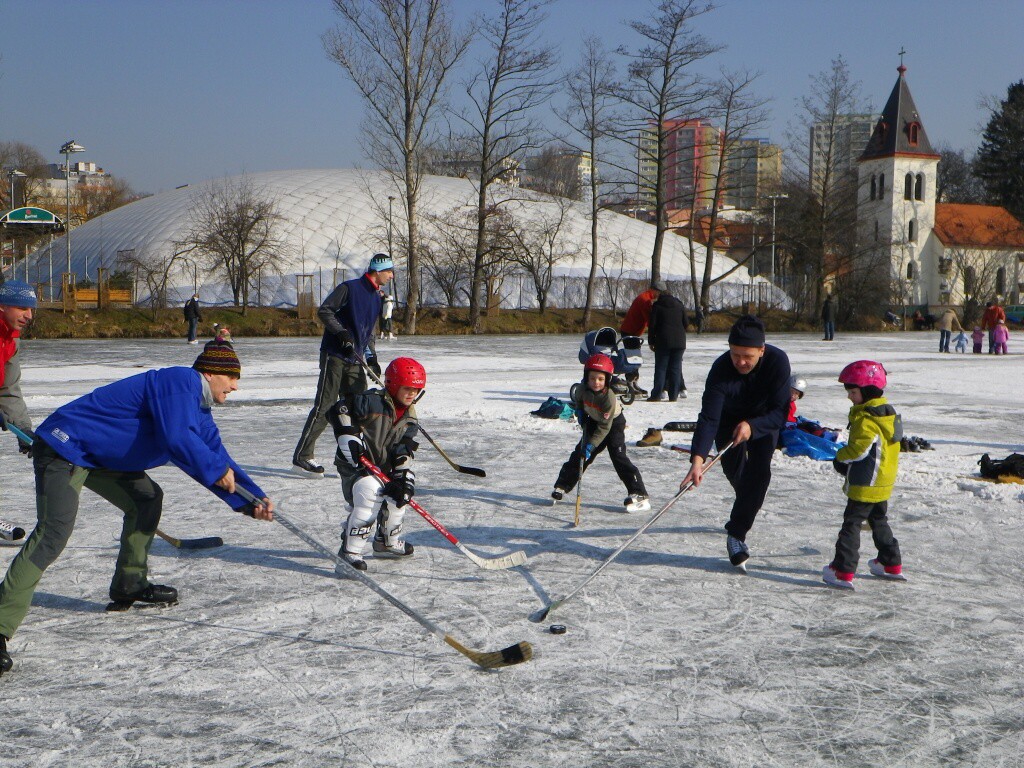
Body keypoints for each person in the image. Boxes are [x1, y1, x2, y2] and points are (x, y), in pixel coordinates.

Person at [0, 339, 274, 677]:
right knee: (53, 533)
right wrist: (217, 471)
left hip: (99, 457)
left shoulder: (197, 409)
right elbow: (178, 441)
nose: (235, 386)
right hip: (65, 447)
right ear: (212, 372)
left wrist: (252, 501)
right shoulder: (181, 382)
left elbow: (216, 457)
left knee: (146, 498)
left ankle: (130, 583)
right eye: (232, 377)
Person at [682, 315, 791, 569]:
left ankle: (736, 534)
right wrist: (697, 460)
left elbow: (780, 412)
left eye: (748, 356)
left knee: (759, 473)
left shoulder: (777, 362)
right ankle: (747, 503)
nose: (740, 362)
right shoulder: (721, 369)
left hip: (763, 421)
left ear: (761, 350)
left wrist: (753, 426)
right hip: (728, 421)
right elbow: (708, 417)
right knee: (738, 476)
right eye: (735, 355)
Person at [292, 253, 394, 476]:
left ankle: (356, 457)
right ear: (377, 270)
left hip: (355, 358)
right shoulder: (350, 288)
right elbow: (325, 311)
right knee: (326, 405)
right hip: (335, 355)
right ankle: (303, 456)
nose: (391, 275)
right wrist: (341, 334)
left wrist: (372, 357)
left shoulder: (377, 298)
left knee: (358, 407)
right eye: (389, 271)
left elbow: (369, 331)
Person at [328, 357, 424, 570]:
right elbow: (338, 410)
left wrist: (400, 472)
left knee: (402, 492)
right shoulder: (372, 401)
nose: (412, 394)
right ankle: (350, 552)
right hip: (355, 464)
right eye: (407, 388)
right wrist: (348, 435)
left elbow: (403, 447)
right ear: (393, 384)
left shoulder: (410, 417)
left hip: (383, 467)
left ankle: (385, 543)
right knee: (370, 492)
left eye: (416, 390)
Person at [822, 360, 905, 589]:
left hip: (865, 483)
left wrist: (840, 458)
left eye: (853, 391)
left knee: (852, 524)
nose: (849, 396)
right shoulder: (888, 415)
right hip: (883, 481)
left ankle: (842, 570)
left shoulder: (866, 420)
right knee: (879, 520)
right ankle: (890, 563)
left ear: (866, 391)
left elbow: (859, 450)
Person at [552, 353, 650, 513]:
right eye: (592, 378)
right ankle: (563, 485)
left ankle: (639, 494)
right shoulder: (581, 390)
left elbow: (604, 427)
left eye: (600, 379)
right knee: (580, 454)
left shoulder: (609, 398)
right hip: (594, 419)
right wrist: (581, 412)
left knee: (617, 456)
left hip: (613, 424)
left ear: (607, 380)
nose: (596, 383)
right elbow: (578, 402)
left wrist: (592, 445)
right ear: (586, 378)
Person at [0, 280, 36, 543]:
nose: (29, 315)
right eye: (22, 307)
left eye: (31, 309)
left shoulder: (10, 340)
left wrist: (24, 431)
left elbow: (8, 389)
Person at [619, 280, 664, 395]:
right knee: (633, 358)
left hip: (633, 332)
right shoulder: (645, 300)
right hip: (630, 331)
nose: (660, 295)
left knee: (635, 358)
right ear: (654, 290)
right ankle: (630, 383)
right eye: (659, 292)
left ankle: (634, 383)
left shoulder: (646, 297)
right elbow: (649, 319)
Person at [647, 286, 688, 402]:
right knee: (675, 368)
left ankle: (656, 395)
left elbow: (652, 326)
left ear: (660, 295)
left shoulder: (657, 306)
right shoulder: (679, 305)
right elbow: (686, 322)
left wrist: (651, 341)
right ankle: (673, 395)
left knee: (661, 368)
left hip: (663, 341)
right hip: (679, 342)